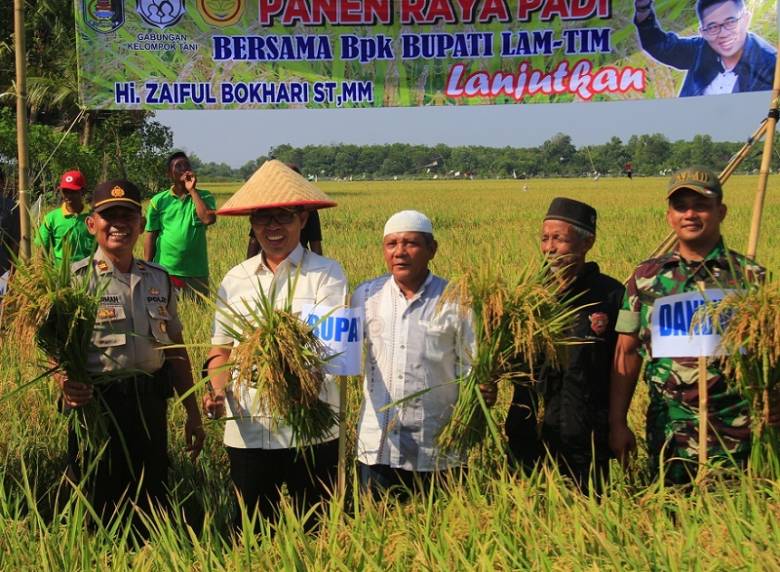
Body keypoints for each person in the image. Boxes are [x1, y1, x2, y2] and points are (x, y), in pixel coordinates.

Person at [202, 160, 347, 527]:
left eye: (282, 216)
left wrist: (285, 362)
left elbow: (335, 350)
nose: (273, 227)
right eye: (262, 218)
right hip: (250, 430)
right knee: (250, 531)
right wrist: (217, 391)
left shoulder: (327, 274)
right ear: (251, 224)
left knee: (316, 529)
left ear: (301, 218)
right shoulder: (235, 279)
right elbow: (221, 351)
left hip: (312, 429)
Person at [609, 167, 771, 484]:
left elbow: (771, 353)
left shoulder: (752, 279)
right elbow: (626, 353)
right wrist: (617, 421)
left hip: (738, 437)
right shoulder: (644, 279)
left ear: (720, 212)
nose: (690, 214)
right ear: (670, 216)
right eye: (681, 206)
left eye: (701, 206)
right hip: (669, 436)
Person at [58, 179, 205, 521]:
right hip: (98, 409)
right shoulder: (76, 281)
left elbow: (176, 350)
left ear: (140, 224)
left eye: (128, 216)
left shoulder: (158, 278)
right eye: (110, 216)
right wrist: (65, 383)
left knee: (151, 501)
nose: (119, 224)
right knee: (98, 503)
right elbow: (58, 347)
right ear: (91, 223)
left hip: (150, 407)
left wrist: (193, 412)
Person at [352, 210, 491, 499]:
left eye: (411, 243)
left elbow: (472, 365)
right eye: (391, 244)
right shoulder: (365, 296)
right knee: (376, 530)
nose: (400, 252)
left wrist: (484, 390)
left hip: (438, 444)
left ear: (432, 249)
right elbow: (342, 356)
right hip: (377, 445)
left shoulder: (458, 298)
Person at [505, 198, 623, 493]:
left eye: (559, 239)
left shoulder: (609, 295)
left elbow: (624, 363)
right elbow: (508, 359)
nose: (549, 247)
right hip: (528, 432)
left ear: (587, 242)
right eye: (545, 239)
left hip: (586, 436)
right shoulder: (526, 295)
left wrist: (618, 423)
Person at [635, 0, 776, 97]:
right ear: (703, 32)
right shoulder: (700, 48)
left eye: (731, 22)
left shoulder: (771, 64)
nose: (723, 34)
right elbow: (659, 46)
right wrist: (643, 7)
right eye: (713, 27)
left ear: (745, 20)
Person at [144, 152, 216, 299]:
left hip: (196, 271)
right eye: (178, 166)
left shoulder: (205, 196)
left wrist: (192, 190)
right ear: (169, 174)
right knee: (166, 312)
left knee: (198, 314)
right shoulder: (158, 201)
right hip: (166, 270)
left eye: (187, 165)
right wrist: (147, 267)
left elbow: (208, 219)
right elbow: (151, 235)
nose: (184, 169)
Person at [245, 164, 323, 258]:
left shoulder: (309, 210)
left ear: (303, 219)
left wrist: (318, 266)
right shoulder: (265, 207)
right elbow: (315, 243)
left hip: (298, 261)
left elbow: (315, 242)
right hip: (274, 258)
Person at [36, 170, 96, 265]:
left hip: (88, 275)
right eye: (65, 191)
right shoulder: (51, 218)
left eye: (73, 191)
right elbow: (41, 253)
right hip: (61, 276)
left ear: (83, 191)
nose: (68, 195)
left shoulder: (94, 218)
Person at [0, 165, 20, 297]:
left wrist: (13, 273)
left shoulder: (11, 209)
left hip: (2, 272)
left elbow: (15, 243)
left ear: (1, 183)